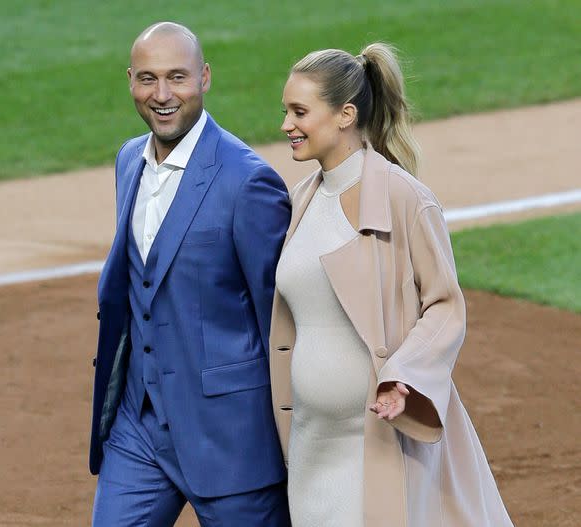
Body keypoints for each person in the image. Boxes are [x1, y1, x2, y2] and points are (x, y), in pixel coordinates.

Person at [270, 43, 514, 526]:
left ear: (345, 115)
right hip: (310, 442)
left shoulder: (405, 199)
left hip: (377, 442)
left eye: (299, 112)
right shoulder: (300, 200)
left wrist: (405, 375)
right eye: (285, 111)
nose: (286, 126)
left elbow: (445, 305)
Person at [89, 22, 292, 527]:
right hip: (139, 426)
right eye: (147, 79)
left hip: (229, 440)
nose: (161, 95)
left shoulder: (248, 183)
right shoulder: (128, 161)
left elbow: (282, 321)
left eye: (177, 78)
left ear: (204, 78)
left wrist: (297, 436)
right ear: (130, 80)